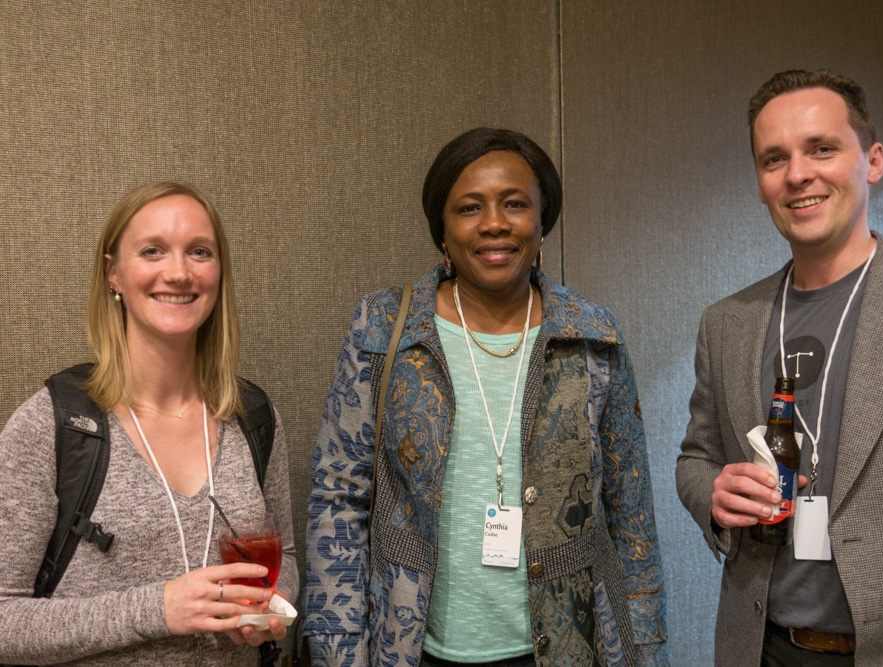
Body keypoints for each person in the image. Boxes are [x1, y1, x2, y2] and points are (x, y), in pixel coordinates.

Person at [305, 128, 668, 666]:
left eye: (515, 204)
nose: (494, 223)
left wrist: (649, 649)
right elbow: (337, 502)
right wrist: (339, 655)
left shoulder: (592, 334)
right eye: (469, 207)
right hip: (413, 648)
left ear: (542, 221)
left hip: (570, 647)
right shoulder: (383, 327)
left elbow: (631, 512)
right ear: (443, 232)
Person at [675, 68, 883, 666]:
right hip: (763, 648)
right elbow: (696, 458)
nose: (798, 174)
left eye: (821, 148)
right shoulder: (727, 322)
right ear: (760, 182)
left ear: (872, 161)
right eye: (774, 159)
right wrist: (714, 494)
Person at [0, 182, 298, 665]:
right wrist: (156, 609)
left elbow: (287, 565)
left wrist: (269, 610)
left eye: (199, 252)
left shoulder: (255, 417)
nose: (178, 273)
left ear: (219, 273)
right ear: (113, 273)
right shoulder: (50, 425)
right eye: (153, 251)